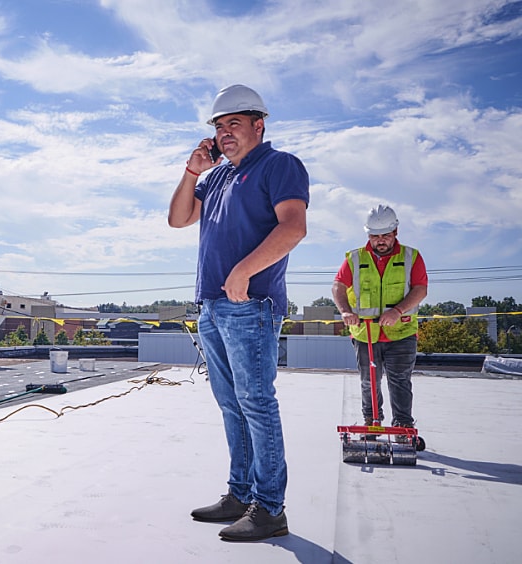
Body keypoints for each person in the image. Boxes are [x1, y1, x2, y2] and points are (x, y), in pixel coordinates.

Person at [169, 84, 309, 542]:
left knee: (256, 404)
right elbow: (177, 218)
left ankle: (269, 508)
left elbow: (294, 227)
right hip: (211, 306)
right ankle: (240, 492)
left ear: (258, 124)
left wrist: (244, 272)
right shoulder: (216, 178)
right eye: (219, 127)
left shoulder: (279, 165)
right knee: (231, 405)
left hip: (249, 306)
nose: (226, 133)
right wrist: (192, 170)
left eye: (234, 123)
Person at [331, 205, 428, 432]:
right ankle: (372, 421)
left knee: (400, 381)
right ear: (368, 235)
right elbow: (338, 286)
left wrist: (398, 310)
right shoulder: (354, 258)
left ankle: (403, 425)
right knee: (369, 382)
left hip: (401, 333)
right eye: (375, 236)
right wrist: (345, 311)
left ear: (395, 232)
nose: (380, 240)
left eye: (385, 235)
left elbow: (420, 289)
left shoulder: (411, 257)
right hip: (366, 334)